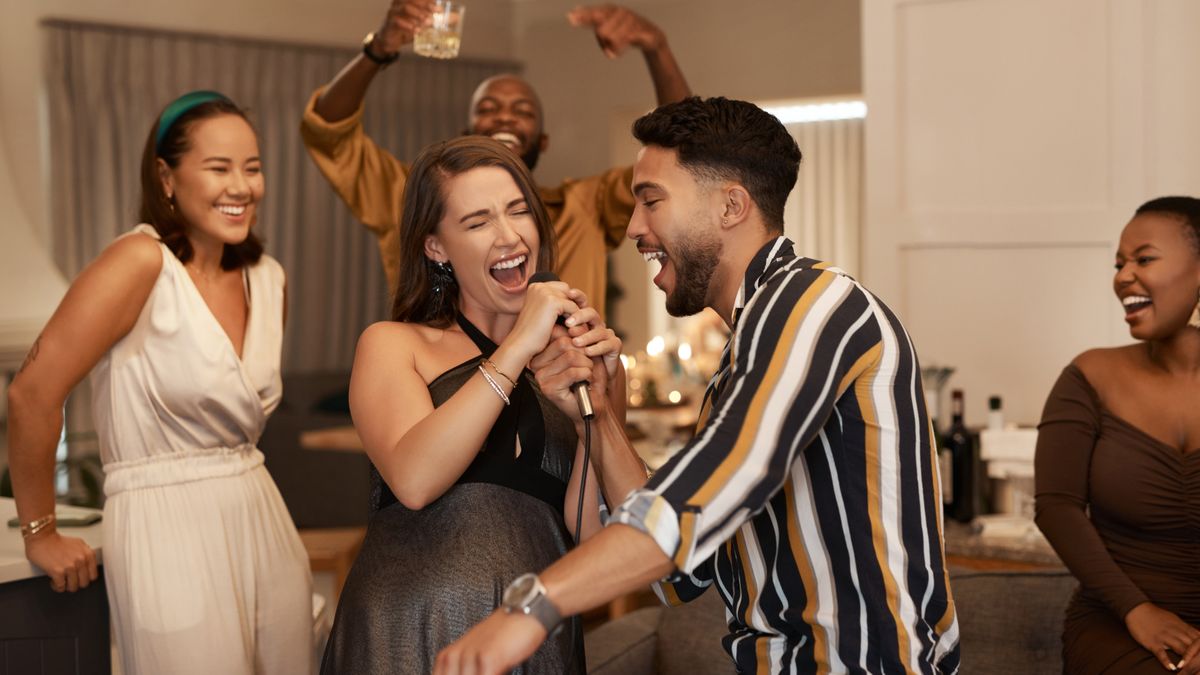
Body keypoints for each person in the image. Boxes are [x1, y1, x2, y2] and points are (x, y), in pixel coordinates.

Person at [433, 96, 961, 675]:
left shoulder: (819, 304)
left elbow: (717, 480)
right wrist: (600, 418)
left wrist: (531, 607)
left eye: (651, 201)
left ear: (730, 205)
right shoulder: (745, 353)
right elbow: (680, 577)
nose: (634, 227)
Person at [6, 91, 313, 673]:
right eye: (219, 168)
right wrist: (40, 532)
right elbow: (32, 392)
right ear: (166, 177)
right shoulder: (139, 262)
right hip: (164, 525)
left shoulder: (269, 278)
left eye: (252, 168)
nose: (241, 186)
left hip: (261, 512)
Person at [318, 135, 642, 674]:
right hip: (406, 633)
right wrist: (518, 348)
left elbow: (594, 539)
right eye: (478, 222)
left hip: (533, 644)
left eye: (519, 212)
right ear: (435, 247)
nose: (509, 235)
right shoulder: (394, 344)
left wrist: (600, 413)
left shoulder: (579, 362)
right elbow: (415, 479)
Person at [300, 0, 691, 318]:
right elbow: (330, 135)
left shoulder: (585, 205)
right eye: (488, 107)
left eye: (521, 110)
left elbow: (680, 151)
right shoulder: (413, 198)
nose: (504, 116)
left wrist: (656, 47)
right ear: (466, 133)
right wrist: (378, 49)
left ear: (543, 141)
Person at [1034, 197, 1200, 674]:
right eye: (1119, 264)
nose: (1123, 276)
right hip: (1118, 625)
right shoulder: (1089, 376)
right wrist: (1137, 611)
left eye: (1143, 259)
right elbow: (1056, 507)